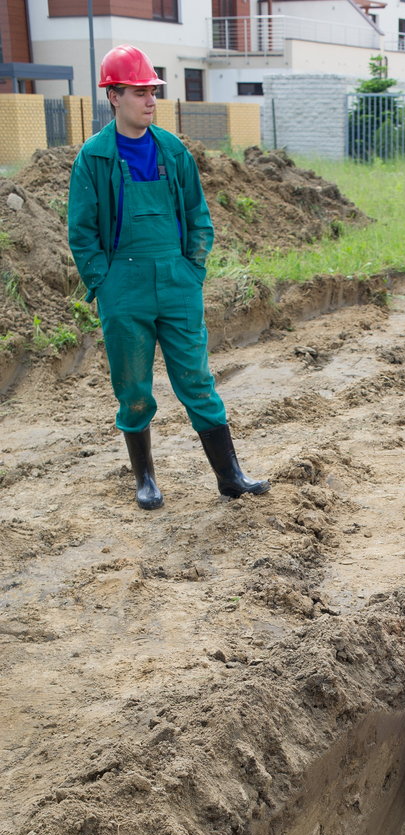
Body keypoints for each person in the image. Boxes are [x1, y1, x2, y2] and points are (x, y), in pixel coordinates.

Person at [68, 45, 268, 510]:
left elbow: (199, 216)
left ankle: (230, 477)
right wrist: (104, 284)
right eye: (139, 91)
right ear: (113, 95)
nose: (150, 99)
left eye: (152, 91)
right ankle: (145, 479)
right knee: (133, 389)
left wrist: (191, 269)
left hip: (176, 282)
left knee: (198, 382)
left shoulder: (173, 150)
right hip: (124, 286)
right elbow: (80, 232)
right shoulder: (93, 158)